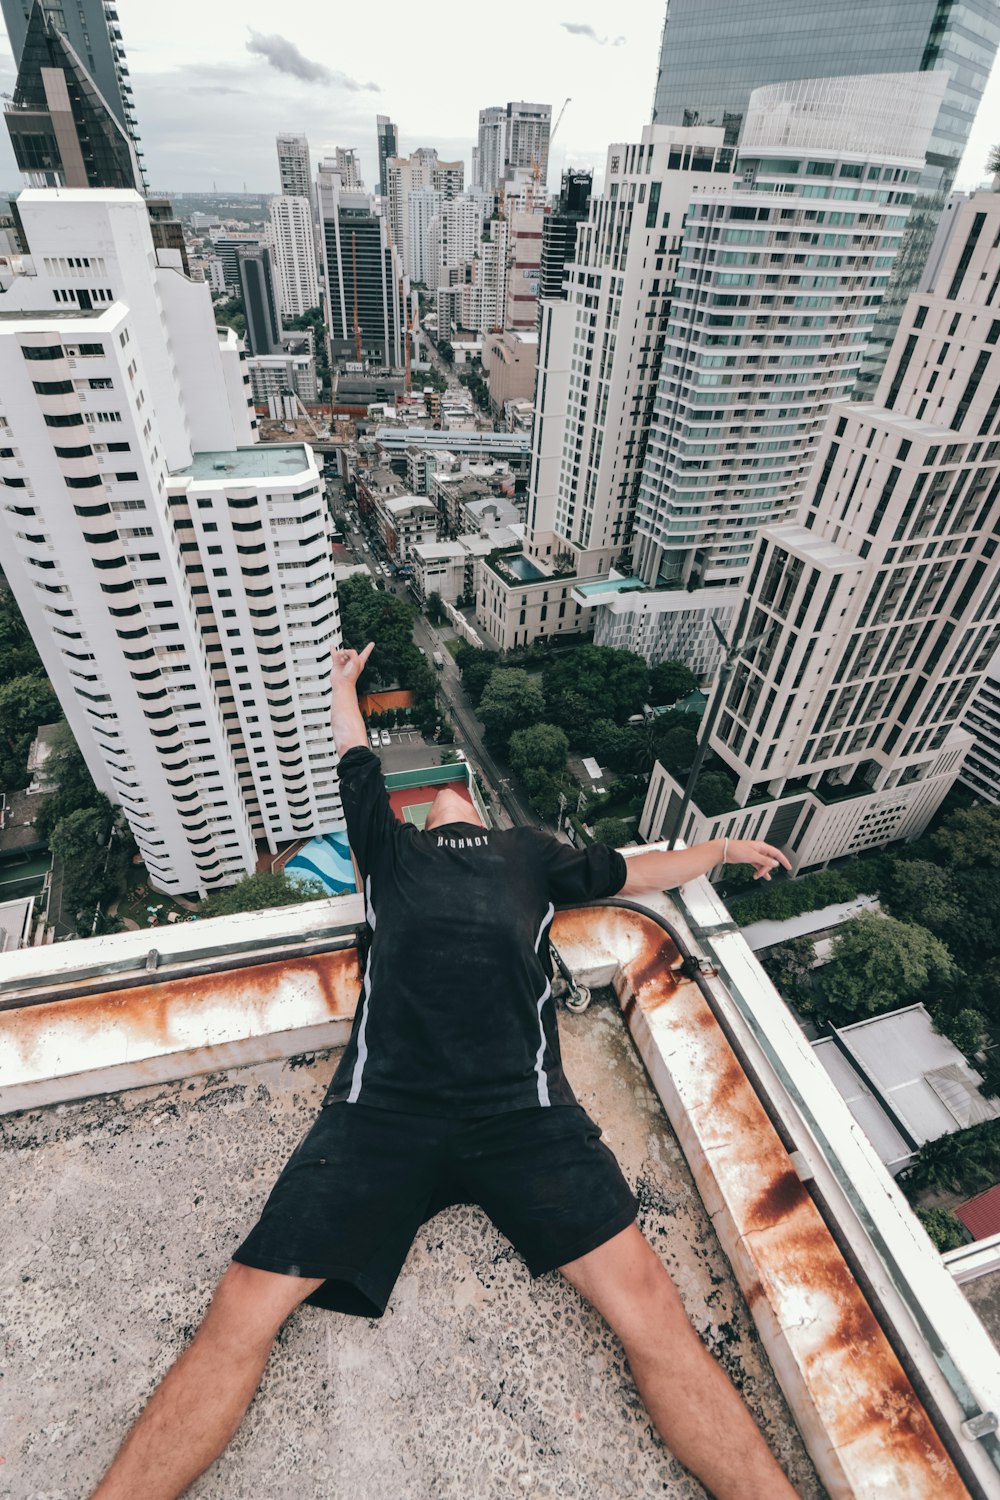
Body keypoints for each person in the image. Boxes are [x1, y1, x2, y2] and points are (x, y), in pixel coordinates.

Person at [90, 644, 796, 1500]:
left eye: (456, 792)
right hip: (380, 1112)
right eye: (433, 795)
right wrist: (341, 688)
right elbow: (355, 759)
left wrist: (719, 848)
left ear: (481, 817)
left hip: (524, 1114)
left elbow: (636, 870)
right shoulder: (387, 855)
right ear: (421, 817)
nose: (446, 798)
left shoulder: (532, 856)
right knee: (244, 1303)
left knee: (651, 1309)